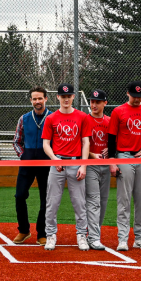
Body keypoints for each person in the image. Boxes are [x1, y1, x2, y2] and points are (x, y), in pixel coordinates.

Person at [107, 81, 141, 251]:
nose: (137, 99)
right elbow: (111, 138)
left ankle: (140, 237)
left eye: (140, 96)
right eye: (134, 96)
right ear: (127, 93)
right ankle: (122, 238)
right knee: (124, 199)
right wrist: (113, 162)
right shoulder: (118, 111)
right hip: (124, 155)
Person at [42, 83, 92, 251]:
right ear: (58, 97)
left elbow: (86, 142)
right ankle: (50, 235)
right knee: (52, 202)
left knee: (79, 203)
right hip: (57, 164)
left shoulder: (82, 117)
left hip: (76, 162)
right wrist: (55, 159)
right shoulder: (51, 118)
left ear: (73, 97)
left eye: (68, 96)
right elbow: (46, 144)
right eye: (62, 96)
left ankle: (81, 235)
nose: (65, 99)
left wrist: (83, 165)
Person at [12, 86, 52, 245]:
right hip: (27, 163)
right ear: (30, 100)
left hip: (46, 163)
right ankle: (23, 230)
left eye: (40, 98)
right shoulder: (24, 118)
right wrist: (24, 156)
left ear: (46, 99)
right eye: (34, 99)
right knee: (20, 196)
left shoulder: (53, 118)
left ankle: (42, 233)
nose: (37, 101)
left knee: (46, 198)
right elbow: (16, 141)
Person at [84, 89, 112, 250]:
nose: (94, 105)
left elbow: (116, 140)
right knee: (93, 201)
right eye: (92, 101)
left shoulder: (109, 121)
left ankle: (94, 232)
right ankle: (94, 237)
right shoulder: (85, 119)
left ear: (104, 103)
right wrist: (92, 155)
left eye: (97, 102)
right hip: (90, 166)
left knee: (102, 201)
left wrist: (111, 149)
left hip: (106, 165)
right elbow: (81, 143)